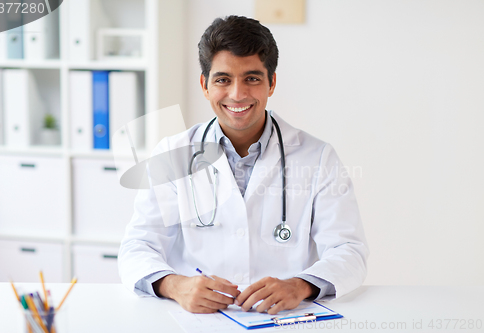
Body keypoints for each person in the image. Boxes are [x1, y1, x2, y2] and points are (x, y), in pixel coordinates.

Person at [118, 15, 368, 315]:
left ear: (271, 83)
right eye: (223, 79)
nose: (237, 94)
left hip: (284, 319)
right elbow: (137, 247)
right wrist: (175, 285)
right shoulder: (174, 153)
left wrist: (300, 285)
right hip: (198, 321)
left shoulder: (317, 157)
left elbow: (349, 251)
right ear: (205, 85)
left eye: (252, 78)